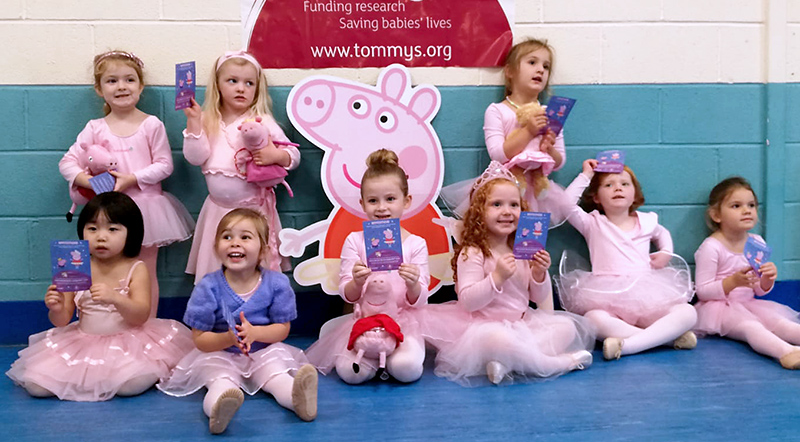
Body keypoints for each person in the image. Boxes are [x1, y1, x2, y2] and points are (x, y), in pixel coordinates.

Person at [6, 192, 194, 401]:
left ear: (130, 233)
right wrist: (56, 308)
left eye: (113, 229)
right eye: (92, 228)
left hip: (129, 342)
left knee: (129, 385)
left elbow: (141, 315)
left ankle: (110, 377)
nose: (101, 237)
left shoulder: (136, 268)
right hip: (83, 341)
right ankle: (89, 377)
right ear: (82, 230)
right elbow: (61, 321)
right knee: (36, 386)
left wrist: (116, 298)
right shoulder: (75, 268)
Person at [428, 162, 594, 386]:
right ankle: (552, 364)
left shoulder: (522, 250)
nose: (507, 211)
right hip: (485, 326)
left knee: (566, 327)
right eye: (497, 204)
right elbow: (468, 302)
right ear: (479, 212)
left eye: (514, 205)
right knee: (497, 339)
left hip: (523, 324)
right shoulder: (474, 252)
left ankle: (506, 363)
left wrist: (539, 274)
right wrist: (496, 277)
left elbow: (536, 299)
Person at [157, 208, 317, 434]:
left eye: (245, 237)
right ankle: (219, 408)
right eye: (227, 237)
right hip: (219, 353)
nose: (234, 243)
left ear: (263, 250)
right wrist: (228, 338)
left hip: (263, 350)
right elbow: (200, 340)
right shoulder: (208, 286)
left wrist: (257, 334)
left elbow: (282, 329)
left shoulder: (277, 283)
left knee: (276, 376)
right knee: (220, 381)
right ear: (216, 247)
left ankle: (298, 399)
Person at [59, 51, 194, 316]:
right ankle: (110, 323)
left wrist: (132, 178)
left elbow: (165, 165)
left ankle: (146, 325)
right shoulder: (95, 127)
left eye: (129, 80)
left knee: (144, 271)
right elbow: (67, 163)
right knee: (110, 268)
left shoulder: (151, 125)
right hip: (108, 214)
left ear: (140, 86)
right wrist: (94, 182)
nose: (121, 86)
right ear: (99, 89)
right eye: (112, 81)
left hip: (147, 209)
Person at [305, 149, 430, 384]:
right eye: (373, 200)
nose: (382, 207)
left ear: (407, 201)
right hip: (365, 323)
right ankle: (374, 361)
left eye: (390, 199)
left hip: (403, 321)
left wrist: (414, 283)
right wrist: (356, 281)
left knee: (406, 369)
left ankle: (391, 361)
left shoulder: (416, 244)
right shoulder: (355, 240)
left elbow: (421, 299)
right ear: (363, 204)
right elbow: (348, 294)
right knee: (351, 373)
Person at [556, 159, 697, 360]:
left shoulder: (647, 221)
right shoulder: (592, 223)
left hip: (648, 292)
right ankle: (667, 339)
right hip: (607, 294)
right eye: (608, 185)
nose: (617, 188)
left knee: (688, 312)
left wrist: (666, 251)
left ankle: (628, 345)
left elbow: (661, 233)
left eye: (624, 184)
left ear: (634, 194)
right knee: (593, 319)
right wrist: (586, 174)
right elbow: (564, 204)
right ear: (596, 197)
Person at [183, 50, 299, 283]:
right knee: (217, 272)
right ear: (218, 85)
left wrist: (275, 155)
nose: (241, 88)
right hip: (218, 211)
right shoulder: (207, 119)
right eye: (232, 81)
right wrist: (194, 122)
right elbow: (195, 157)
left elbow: (293, 155)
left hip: (255, 212)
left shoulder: (261, 120)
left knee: (256, 272)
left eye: (249, 83)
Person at [694, 177, 800, 369]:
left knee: (780, 322)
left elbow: (760, 291)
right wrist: (732, 282)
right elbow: (702, 291)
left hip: (750, 303)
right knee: (751, 328)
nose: (747, 210)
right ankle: (786, 353)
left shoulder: (756, 242)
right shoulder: (711, 247)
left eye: (751, 205)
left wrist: (767, 278)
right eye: (736, 206)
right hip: (720, 309)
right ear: (716, 215)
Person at [483, 38, 565, 218]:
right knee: (501, 238)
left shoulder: (549, 113)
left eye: (546, 66)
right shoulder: (497, 110)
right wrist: (528, 132)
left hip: (538, 194)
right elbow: (497, 155)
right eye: (532, 62)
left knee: (530, 241)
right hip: (505, 193)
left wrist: (549, 147)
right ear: (510, 71)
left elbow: (560, 162)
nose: (540, 70)